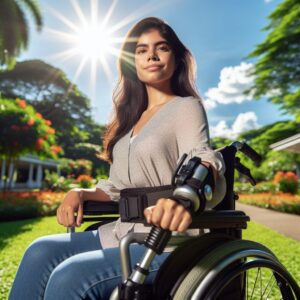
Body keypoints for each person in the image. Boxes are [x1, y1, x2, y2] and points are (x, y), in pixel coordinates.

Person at [9, 17, 226, 299]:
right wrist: (81, 192)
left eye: (162, 48)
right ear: (131, 61)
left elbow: (203, 155)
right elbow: (117, 186)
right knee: (39, 251)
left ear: (177, 58)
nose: (151, 55)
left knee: (70, 275)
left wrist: (185, 197)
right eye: (141, 50)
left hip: (165, 241)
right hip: (120, 233)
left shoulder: (186, 107)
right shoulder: (129, 122)